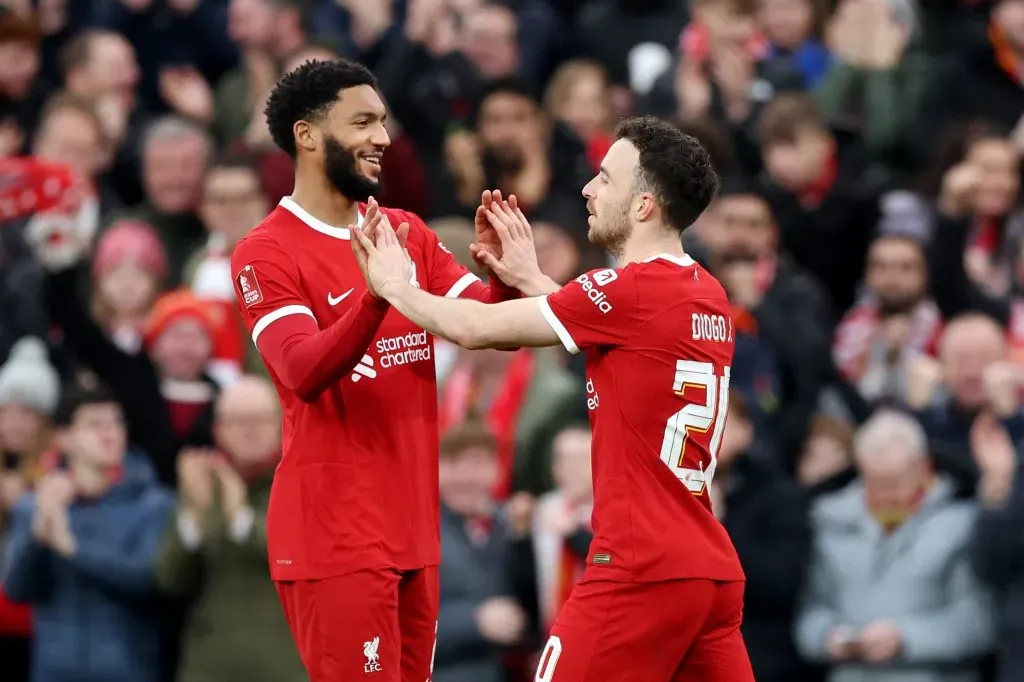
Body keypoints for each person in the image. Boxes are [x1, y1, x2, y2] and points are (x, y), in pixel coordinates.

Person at [352, 116, 755, 682]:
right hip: (707, 569)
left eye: (606, 179)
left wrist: (393, 284)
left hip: (640, 566)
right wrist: (532, 279)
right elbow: (616, 330)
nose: (588, 189)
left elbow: (472, 327)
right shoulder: (705, 293)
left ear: (643, 206)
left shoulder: (630, 291)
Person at [229, 58, 536, 682]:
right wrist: (377, 296)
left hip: (415, 530)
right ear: (307, 135)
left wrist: (505, 278)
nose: (383, 138)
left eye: (383, 121)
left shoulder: (405, 232)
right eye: (363, 122)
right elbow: (300, 369)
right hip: (335, 536)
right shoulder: (266, 250)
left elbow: (483, 326)